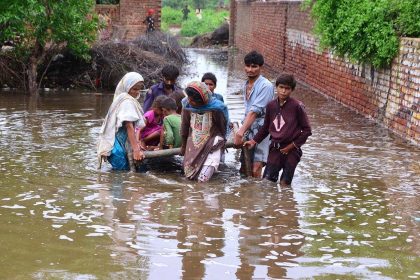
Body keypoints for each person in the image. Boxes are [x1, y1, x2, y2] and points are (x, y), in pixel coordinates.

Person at [243, 74, 312, 186]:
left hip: (292, 151)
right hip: (275, 149)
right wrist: (253, 141)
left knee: (285, 184)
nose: (283, 91)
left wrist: (291, 146)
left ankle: (285, 203)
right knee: (267, 182)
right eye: (281, 87)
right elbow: (266, 128)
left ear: (292, 90)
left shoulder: (297, 107)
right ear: (276, 87)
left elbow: (307, 130)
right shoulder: (271, 106)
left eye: (287, 88)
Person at [233, 50, 274, 178]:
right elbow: (248, 112)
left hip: (262, 129)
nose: (250, 70)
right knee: (245, 166)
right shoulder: (246, 84)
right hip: (248, 127)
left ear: (260, 67)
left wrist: (240, 132)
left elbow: (254, 112)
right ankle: (246, 195)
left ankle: (256, 195)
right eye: (248, 66)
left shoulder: (266, 85)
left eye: (254, 66)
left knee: (256, 167)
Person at [180, 81, 229, 182]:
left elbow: (223, 127)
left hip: (212, 143)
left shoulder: (217, 108)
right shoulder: (187, 105)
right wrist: (183, 146)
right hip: (194, 142)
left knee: (203, 179)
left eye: (192, 100)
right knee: (190, 177)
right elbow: (184, 126)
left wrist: (222, 142)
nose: (189, 101)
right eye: (189, 97)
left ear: (202, 100)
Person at [97, 72, 146, 171]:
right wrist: (136, 150)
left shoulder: (123, 99)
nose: (137, 92)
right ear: (127, 87)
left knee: (125, 176)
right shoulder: (127, 101)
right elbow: (129, 126)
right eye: (134, 89)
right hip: (117, 149)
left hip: (120, 145)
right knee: (120, 179)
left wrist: (137, 144)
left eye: (139, 89)